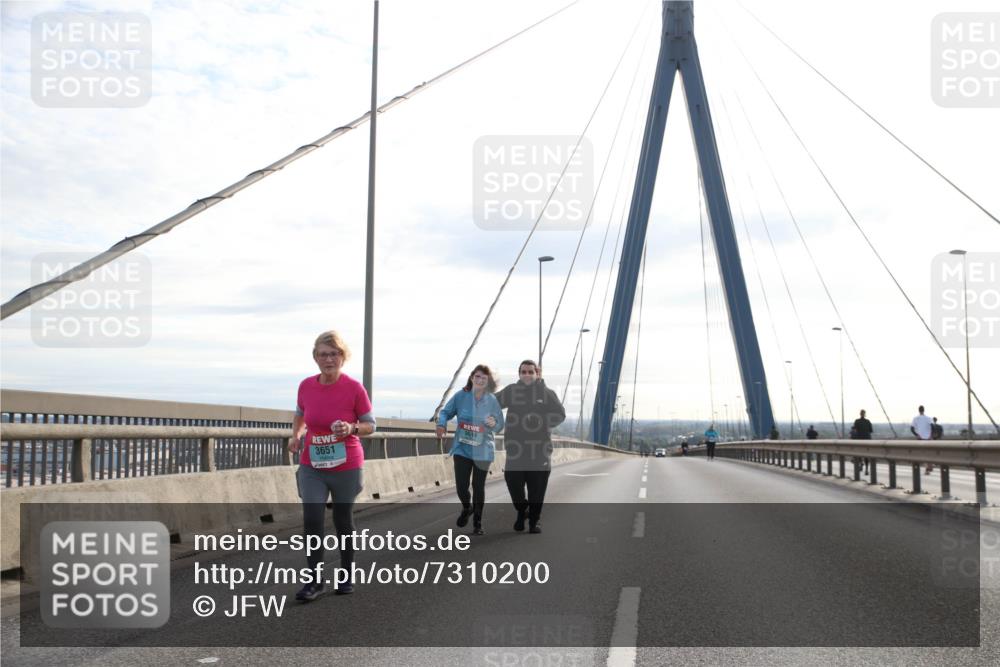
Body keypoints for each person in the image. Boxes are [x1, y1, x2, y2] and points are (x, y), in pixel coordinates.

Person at [288, 330, 375, 601]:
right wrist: (296, 436)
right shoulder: (306, 386)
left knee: (342, 520)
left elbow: (371, 425)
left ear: (342, 357)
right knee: (312, 518)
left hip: (346, 465)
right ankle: (314, 581)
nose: (328, 359)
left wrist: (351, 427)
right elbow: (301, 415)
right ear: (315, 358)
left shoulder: (353, 388)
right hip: (312, 464)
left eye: (334, 354)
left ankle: (346, 574)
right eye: (323, 354)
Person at [496, 360, 565, 534]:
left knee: (537, 490)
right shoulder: (512, 391)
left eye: (530, 372)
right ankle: (522, 510)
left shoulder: (547, 393)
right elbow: (491, 403)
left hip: (539, 451)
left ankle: (534, 522)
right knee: (512, 482)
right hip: (515, 450)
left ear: (537, 374)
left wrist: (541, 421)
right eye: (523, 372)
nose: (526, 375)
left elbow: (560, 414)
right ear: (519, 374)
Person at [436, 365, 504, 536]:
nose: (480, 380)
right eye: (477, 376)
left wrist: (493, 424)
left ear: (488, 382)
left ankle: (478, 523)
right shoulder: (461, 396)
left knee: (478, 486)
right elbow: (445, 412)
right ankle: (467, 507)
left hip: (483, 450)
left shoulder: (492, 401)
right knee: (461, 486)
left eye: (484, 378)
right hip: (462, 449)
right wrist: (441, 424)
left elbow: (500, 425)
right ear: (472, 377)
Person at [910, 405, 934, 474]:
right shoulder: (928, 418)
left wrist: (917, 435)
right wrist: (930, 435)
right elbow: (933, 427)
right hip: (928, 438)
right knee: (929, 453)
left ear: (918, 410)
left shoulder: (915, 418)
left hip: (920, 438)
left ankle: (927, 468)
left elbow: (911, 429)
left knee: (923, 454)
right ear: (924, 410)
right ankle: (930, 465)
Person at [851, 409, 873, 474]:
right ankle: (866, 470)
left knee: (859, 453)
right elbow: (871, 430)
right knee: (866, 455)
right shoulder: (868, 421)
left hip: (859, 439)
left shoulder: (857, 421)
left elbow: (854, 430)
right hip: (867, 440)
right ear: (865, 414)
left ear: (860, 414)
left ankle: (861, 463)